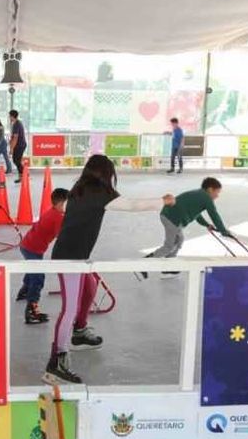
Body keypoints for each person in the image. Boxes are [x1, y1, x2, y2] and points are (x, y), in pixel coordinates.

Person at [45, 154, 175, 384]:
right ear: (106, 173)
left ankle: (79, 330)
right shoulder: (99, 192)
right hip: (70, 257)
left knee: (90, 287)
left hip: (75, 253)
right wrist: (162, 200)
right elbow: (132, 206)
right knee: (69, 308)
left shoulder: (80, 187)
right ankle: (57, 360)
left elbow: (68, 208)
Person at [145, 177, 231, 278]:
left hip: (169, 216)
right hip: (172, 219)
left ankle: (168, 268)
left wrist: (207, 225)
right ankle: (144, 263)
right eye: (217, 192)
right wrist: (223, 231)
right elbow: (214, 215)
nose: (217, 196)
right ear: (210, 189)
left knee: (178, 241)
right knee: (170, 245)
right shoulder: (206, 197)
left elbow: (197, 214)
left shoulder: (199, 194)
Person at [16, 188, 69, 325]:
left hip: (27, 245)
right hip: (32, 249)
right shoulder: (58, 216)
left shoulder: (53, 211)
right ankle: (32, 310)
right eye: (67, 203)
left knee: (32, 271)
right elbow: (61, 237)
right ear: (60, 204)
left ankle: (24, 291)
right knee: (38, 277)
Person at [9, 110, 27, 183]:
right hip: (20, 145)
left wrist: (12, 148)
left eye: (9, 116)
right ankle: (22, 176)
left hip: (19, 145)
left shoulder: (16, 124)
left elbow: (16, 138)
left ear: (12, 116)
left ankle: (24, 176)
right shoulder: (17, 123)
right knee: (16, 161)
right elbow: (14, 137)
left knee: (16, 161)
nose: (9, 117)